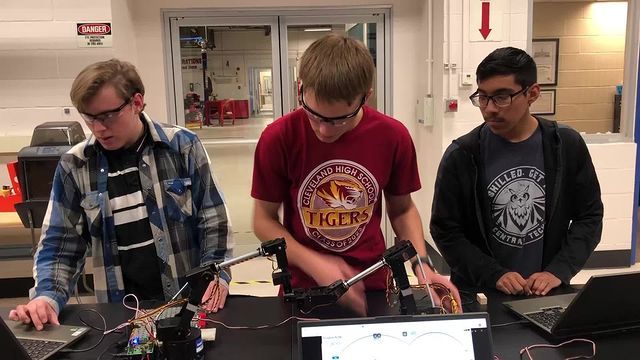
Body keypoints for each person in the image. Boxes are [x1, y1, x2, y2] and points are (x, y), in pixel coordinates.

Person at [9, 59, 233, 330]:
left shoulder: (181, 146)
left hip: (189, 307)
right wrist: (47, 297)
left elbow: (213, 219)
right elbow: (59, 245)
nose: (98, 128)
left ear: (136, 103)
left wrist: (215, 275)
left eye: (107, 116)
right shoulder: (75, 165)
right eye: (89, 118)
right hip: (120, 316)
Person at [251, 34, 460, 315]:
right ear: (300, 89)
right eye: (314, 115)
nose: (324, 131)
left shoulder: (392, 136)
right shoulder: (278, 137)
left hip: (372, 285)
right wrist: (316, 264)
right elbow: (262, 220)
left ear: (366, 96)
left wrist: (422, 266)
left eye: (340, 119)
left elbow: (402, 210)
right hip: (305, 287)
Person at [430, 47, 603, 297]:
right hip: (481, 293)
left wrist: (559, 270)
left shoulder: (565, 145)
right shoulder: (463, 154)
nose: (489, 108)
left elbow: (589, 216)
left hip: (546, 290)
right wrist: (493, 273)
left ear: (532, 93)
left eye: (502, 97)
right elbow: (445, 230)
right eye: (483, 97)